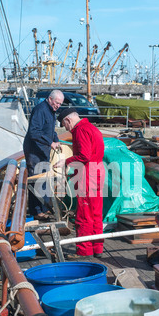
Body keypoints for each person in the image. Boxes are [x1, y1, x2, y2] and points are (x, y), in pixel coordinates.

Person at [54, 107, 105, 258]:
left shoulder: (80, 131)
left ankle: (84, 251)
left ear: (68, 120)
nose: (66, 129)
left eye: (65, 125)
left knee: (83, 214)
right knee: (95, 212)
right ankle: (97, 247)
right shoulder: (92, 128)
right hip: (97, 171)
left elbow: (84, 156)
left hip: (87, 175)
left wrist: (66, 162)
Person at [23, 89, 64, 219]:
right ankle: (36, 211)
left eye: (60, 104)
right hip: (35, 151)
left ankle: (44, 208)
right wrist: (50, 142)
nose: (58, 106)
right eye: (56, 103)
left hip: (43, 150)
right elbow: (33, 132)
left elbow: (50, 130)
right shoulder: (40, 110)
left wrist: (56, 140)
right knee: (36, 180)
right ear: (50, 99)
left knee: (44, 179)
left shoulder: (51, 112)